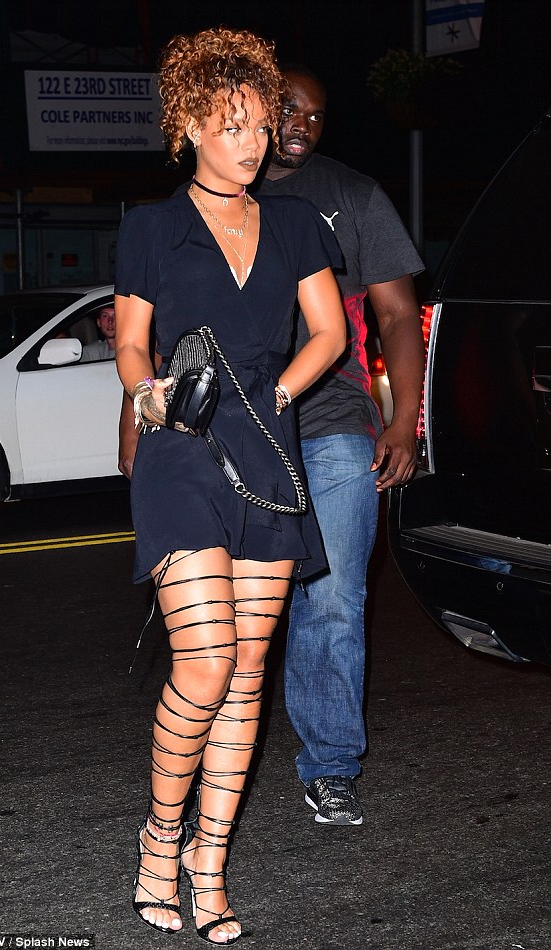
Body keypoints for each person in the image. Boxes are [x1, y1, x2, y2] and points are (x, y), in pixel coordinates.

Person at [114, 29, 346, 944]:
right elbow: (132, 341)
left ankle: (208, 869)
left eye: (261, 124)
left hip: (268, 454)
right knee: (208, 660)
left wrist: (277, 396)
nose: (253, 142)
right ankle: (157, 839)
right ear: (190, 129)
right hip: (181, 447)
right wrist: (149, 395)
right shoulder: (151, 226)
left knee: (248, 674)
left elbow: (329, 334)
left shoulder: (295, 223)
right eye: (232, 124)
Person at [255, 66, 425, 825]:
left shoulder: (353, 195)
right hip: (240, 430)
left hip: (334, 424)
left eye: (316, 115)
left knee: (332, 600)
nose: (301, 124)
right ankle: (202, 765)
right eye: (288, 109)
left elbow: (397, 316)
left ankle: (331, 767)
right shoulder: (220, 191)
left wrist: (403, 421)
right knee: (237, 607)